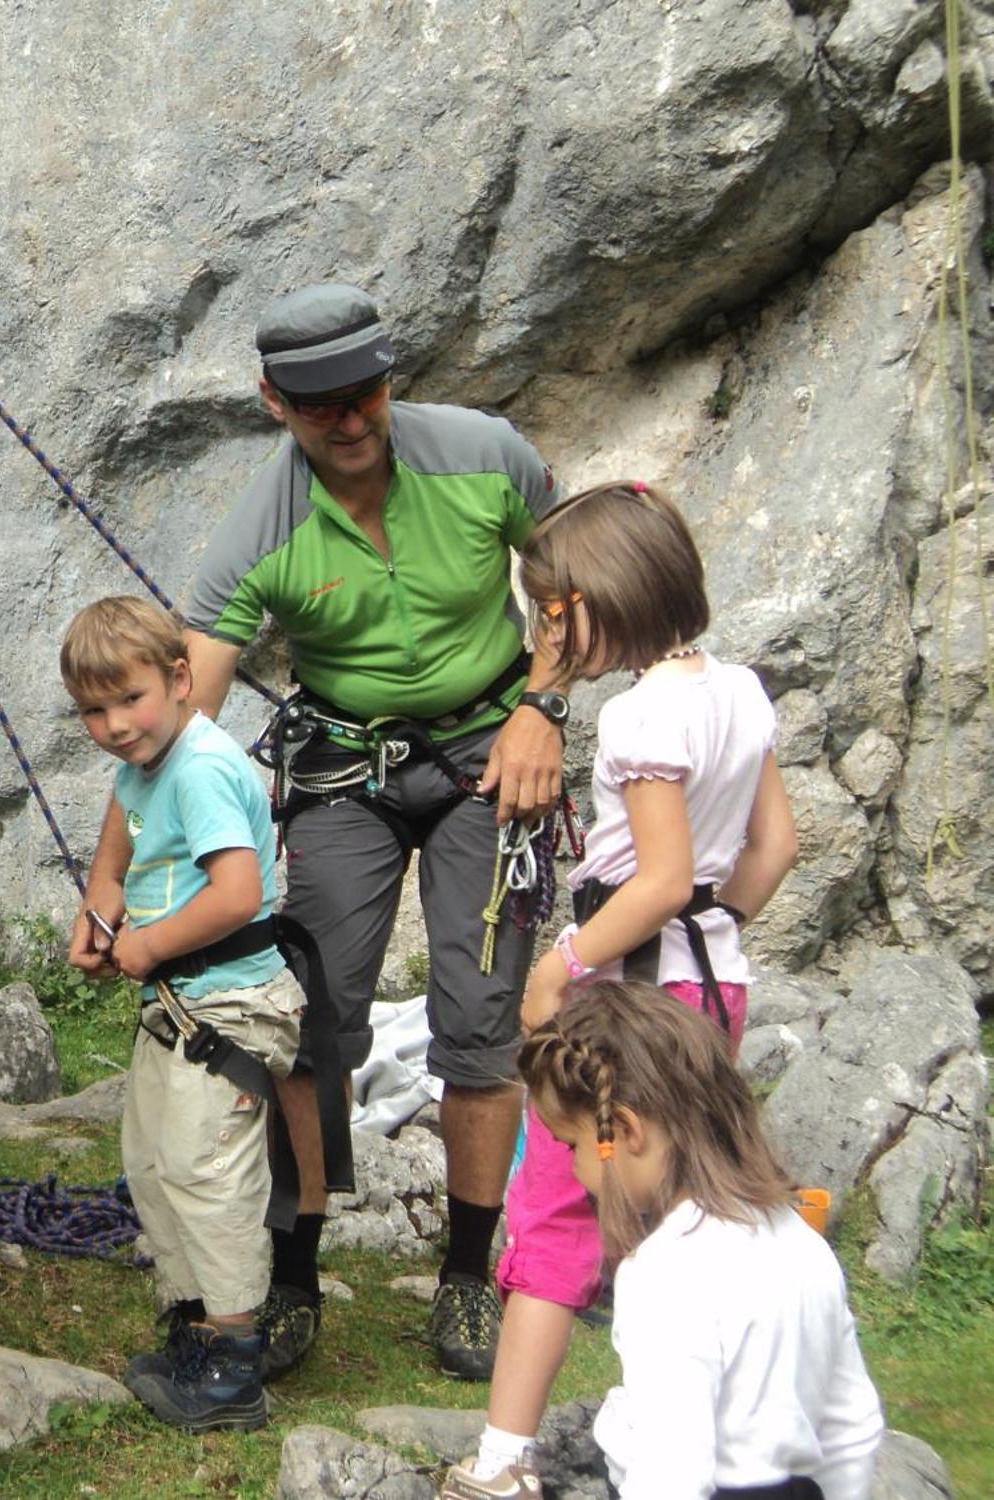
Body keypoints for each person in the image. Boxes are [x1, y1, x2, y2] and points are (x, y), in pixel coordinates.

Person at [178, 283, 569, 1381]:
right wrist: (137, 868)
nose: (348, 421)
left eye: (364, 394)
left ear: (389, 379)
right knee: (311, 1020)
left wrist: (543, 710)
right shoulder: (263, 522)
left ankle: (465, 1274)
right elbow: (185, 716)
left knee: (480, 1019)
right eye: (318, 407)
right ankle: (292, 1274)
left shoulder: (484, 453)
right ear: (273, 403)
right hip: (341, 773)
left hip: (494, 757)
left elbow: (575, 580)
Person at [444, 480, 802, 1499]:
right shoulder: (738, 691)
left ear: (599, 596)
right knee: (693, 1203)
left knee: (557, 1209)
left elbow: (649, 876)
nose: (544, 627)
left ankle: (502, 1463)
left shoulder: (646, 713)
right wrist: (707, 931)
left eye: (552, 606)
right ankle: (718, 1435)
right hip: (708, 989)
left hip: (623, 1002)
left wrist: (562, 962)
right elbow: (772, 849)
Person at [60, 595, 306, 1432]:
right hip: (179, 1003)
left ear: (178, 680)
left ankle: (234, 1363)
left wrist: (153, 943)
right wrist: (101, 920)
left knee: (209, 1173)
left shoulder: (200, 767)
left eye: (129, 700)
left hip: (227, 1005)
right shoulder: (143, 769)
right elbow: (120, 856)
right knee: (155, 1160)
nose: (116, 725)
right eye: (93, 710)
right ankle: (198, 1327)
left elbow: (238, 894)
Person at [503, 984, 885, 1499]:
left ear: (624, 1131)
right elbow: (852, 1426)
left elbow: (672, 1471)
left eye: (573, 1144)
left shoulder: (666, 1272)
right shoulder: (803, 1244)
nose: (573, 1166)